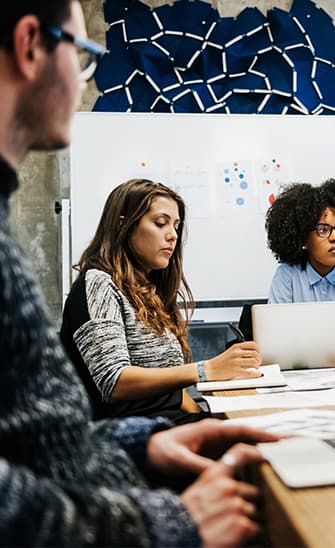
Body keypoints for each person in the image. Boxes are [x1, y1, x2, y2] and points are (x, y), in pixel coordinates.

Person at [0, 2, 280, 545]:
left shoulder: (147, 288)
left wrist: (140, 445)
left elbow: (34, 440)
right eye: (82, 56)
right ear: (31, 44)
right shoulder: (98, 282)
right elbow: (109, 385)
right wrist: (161, 525)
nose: (84, 83)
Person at [61, 178, 262, 421]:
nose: (172, 236)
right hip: (131, 435)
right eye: (160, 223)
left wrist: (206, 416)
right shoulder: (98, 284)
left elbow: (169, 389)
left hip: (166, 423)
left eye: (176, 226)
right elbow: (114, 382)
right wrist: (205, 370)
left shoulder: (147, 292)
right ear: (123, 226)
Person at [265, 178, 335, 358]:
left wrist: (307, 352)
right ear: (304, 240)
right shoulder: (287, 276)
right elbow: (277, 346)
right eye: (323, 230)